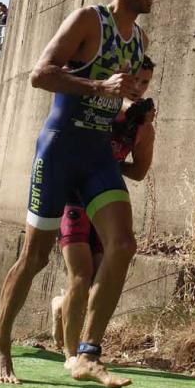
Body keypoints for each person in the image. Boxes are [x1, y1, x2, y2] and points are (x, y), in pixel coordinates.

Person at [0, 0, 158, 387]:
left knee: (122, 244)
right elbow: (39, 74)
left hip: (97, 153)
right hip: (60, 148)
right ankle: (0, 345)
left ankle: (87, 353)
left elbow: (121, 91)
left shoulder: (138, 39)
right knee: (35, 257)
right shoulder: (88, 20)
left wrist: (132, 109)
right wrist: (98, 86)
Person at [53, 56, 158, 362]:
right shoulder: (98, 108)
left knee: (99, 275)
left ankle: (64, 311)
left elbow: (139, 172)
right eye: (134, 79)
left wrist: (110, 165)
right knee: (80, 275)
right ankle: (72, 356)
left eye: (145, 82)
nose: (138, 87)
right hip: (74, 196)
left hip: (105, 199)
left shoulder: (143, 127)